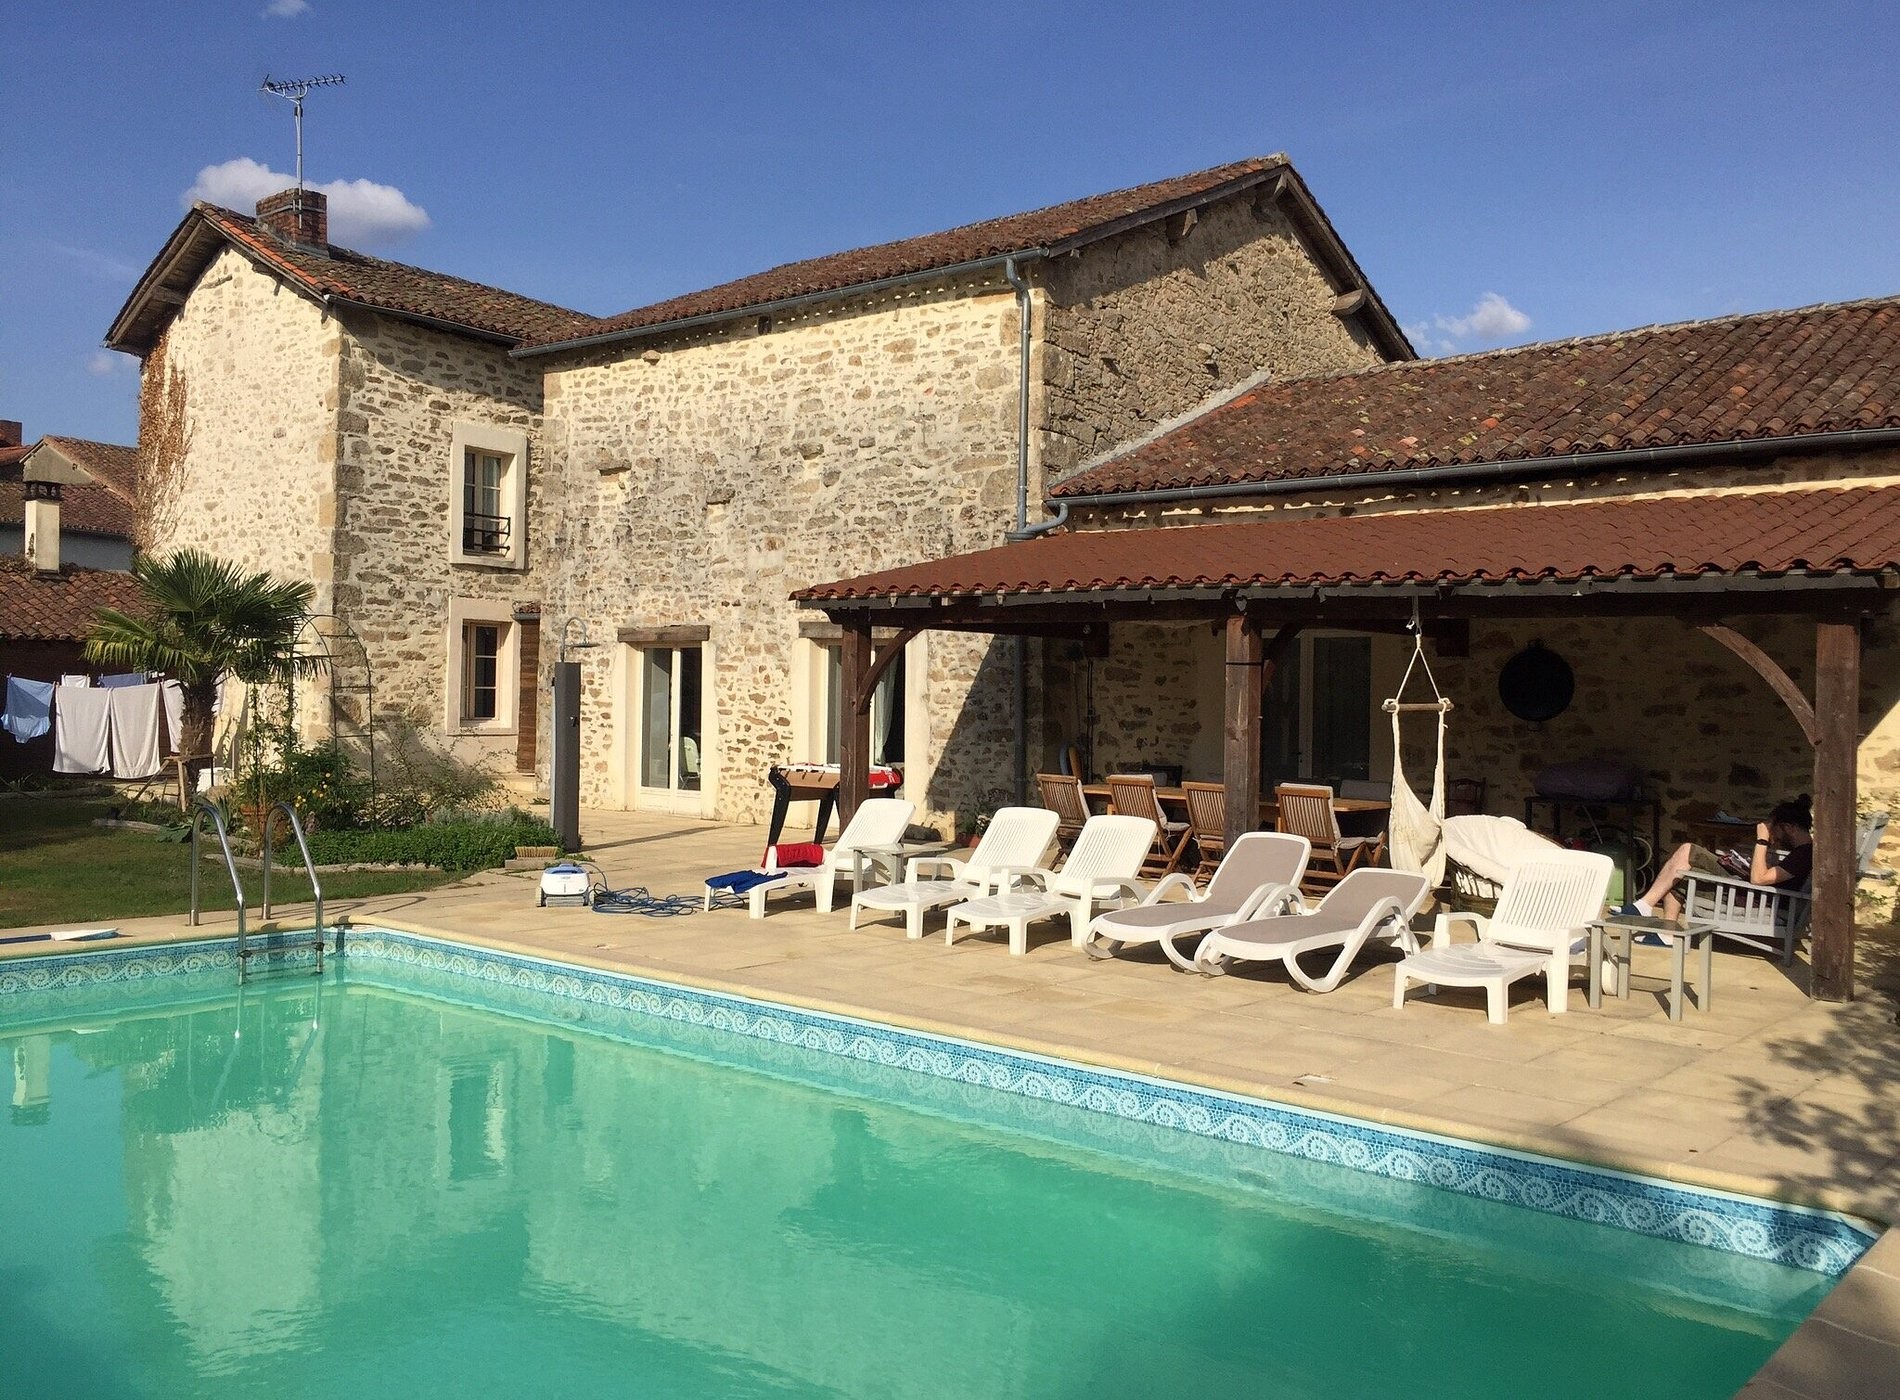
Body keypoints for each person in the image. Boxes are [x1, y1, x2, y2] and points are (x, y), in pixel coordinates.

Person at [1625, 796, 1813, 928]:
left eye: (1775, 829)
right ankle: (1661, 929)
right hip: (1750, 892)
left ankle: (1645, 907)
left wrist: (1762, 840)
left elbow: (1758, 879)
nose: (1774, 835)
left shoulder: (1803, 855)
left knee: (1688, 851)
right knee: (1679, 873)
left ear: (1789, 827)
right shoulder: (1802, 852)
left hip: (1753, 898)